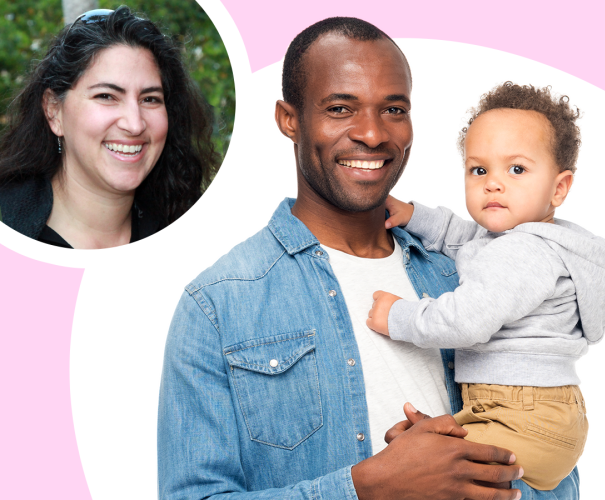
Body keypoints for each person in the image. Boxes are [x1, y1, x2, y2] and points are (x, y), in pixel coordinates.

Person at [158, 18, 579, 499]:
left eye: (394, 109)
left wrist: (461, 473)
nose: (374, 134)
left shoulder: (471, 272)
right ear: (289, 119)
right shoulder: (218, 305)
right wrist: (369, 487)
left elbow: (557, 469)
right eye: (341, 108)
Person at [366, 83, 605, 490]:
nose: (493, 183)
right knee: (425, 452)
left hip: (522, 415)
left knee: (424, 473)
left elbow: (465, 321)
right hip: (539, 414)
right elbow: (465, 237)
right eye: (479, 170)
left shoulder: (524, 253)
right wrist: (415, 216)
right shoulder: (519, 240)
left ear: (559, 188)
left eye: (517, 169)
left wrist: (399, 316)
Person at [0, 6, 220, 249]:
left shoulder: (199, 238)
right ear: (54, 111)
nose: (134, 124)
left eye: (150, 99)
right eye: (106, 96)